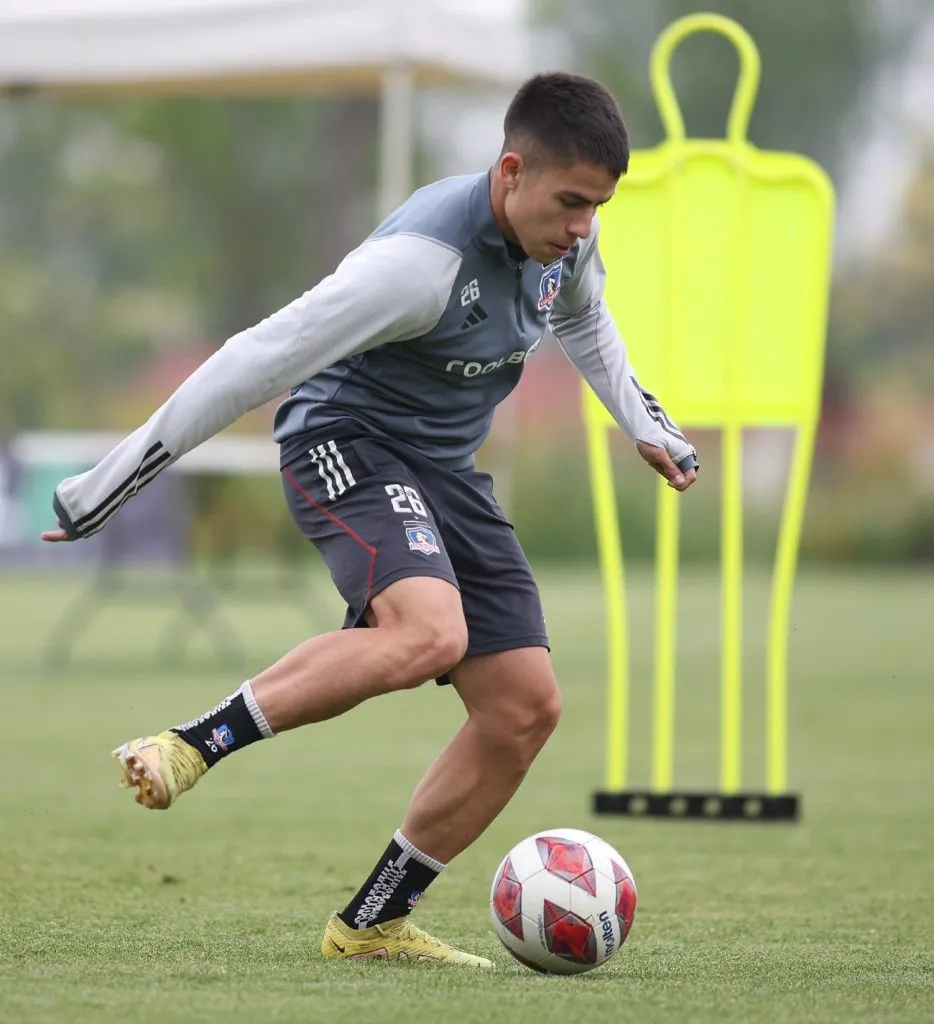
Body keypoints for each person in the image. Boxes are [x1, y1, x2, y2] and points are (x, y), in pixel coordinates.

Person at [43, 72, 697, 967]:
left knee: (523, 710)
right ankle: (191, 745)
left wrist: (644, 423)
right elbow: (254, 360)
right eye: (572, 202)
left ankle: (373, 923)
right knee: (429, 634)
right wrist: (106, 487)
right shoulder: (415, 267)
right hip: (342, 439)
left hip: (445, 470)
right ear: (510, 171)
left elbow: (585, 322)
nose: (584, 225)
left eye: (598, 207)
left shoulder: (568, 243)